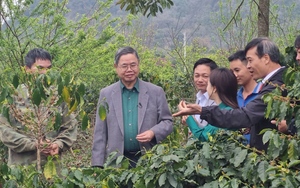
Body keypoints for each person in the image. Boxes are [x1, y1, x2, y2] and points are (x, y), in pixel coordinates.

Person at [173, 37, 285, 151]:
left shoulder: (278, 86)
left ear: (266, 58)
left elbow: (244, 116)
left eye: (250, 60)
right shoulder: (269, 85)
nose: (248, 66)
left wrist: (201, 111)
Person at [91, 46, 173, 168]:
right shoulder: (106, 94)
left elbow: (167, 121)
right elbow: (100, 133)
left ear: (138, 65)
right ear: (116, 67)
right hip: (116, 163)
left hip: (149, 161)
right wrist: (97, 165)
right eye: (124, 66)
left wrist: (153, 132)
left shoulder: (155, 92)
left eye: (133, 65)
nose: (129, 69)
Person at [0, 48, 77, 166]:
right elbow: (5, 131)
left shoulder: (58, 96)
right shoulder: (13, 96)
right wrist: (34, 144)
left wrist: (58, 144)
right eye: (40, 68)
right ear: (27, 70)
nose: (45, 73)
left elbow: (70, 126)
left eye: (49, 68)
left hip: (52, 169)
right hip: (22, 169)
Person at [181, 68, 238, 141]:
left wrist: (188, 117)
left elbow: (203, 137)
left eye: (208, 84)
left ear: (214, 89)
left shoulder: (225, 113)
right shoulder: (228, 109)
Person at [228, 50, 263, 144]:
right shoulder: (234, 97)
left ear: (249, 66)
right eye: (232, 71)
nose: (234, 75)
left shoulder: (264, 94)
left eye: (237, 70)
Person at [183, 58, 218, 136]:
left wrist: (189, 119)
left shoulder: (218, 101)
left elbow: (207, 134)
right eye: (197, 76)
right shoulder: (199, 97)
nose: (200, 80)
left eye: (205, 76)